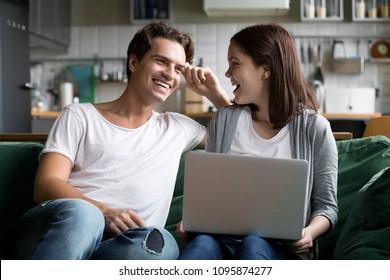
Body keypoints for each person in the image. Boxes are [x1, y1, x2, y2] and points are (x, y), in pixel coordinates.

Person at [16, 21, 231, 260]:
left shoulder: (178, 127)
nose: (170, 74)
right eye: (161, 61)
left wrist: (215, 93)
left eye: (178, 69)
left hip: (124, 245)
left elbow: (240, 138)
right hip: (62, 228)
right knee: (85, 216)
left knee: (160, 243)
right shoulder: (80, 115)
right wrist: (103, 212)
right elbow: (46, 184)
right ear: (134, 62)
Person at [176, 23, 338, 260]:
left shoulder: (315, 128)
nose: (227, 73)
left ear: (265, 69)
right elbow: (212, 194)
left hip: (280, 249)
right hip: (220, 240)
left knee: (253, 244)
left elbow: (327, 207)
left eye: (235, 63)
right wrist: (194, 220)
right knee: (200, 246)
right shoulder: (224, 120)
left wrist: (308, 233)